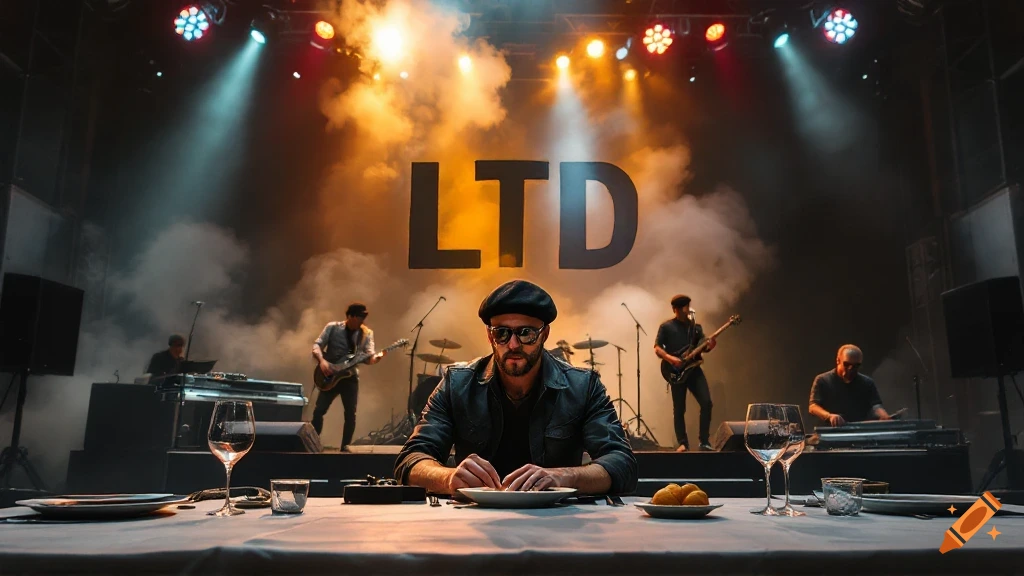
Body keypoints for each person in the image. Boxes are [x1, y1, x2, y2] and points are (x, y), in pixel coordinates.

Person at [395, 280, 637, 495]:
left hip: (556, 518)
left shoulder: (583, 386)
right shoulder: (457, 384)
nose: (513, 344)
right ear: (489, 336)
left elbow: (622, 463)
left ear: (544, 334)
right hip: (475, 517)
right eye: (501, 333)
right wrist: (447, 478)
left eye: (525, 333)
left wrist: (564, 477)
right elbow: (411, 459)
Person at [311, 303, 386, 450]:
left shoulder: (366, 333)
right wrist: (322, 362)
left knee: (351, 414)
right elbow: (317, 345)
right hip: (329, 375)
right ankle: (312, 445)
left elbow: (368, 357)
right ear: (350, 316)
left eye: (363, 317)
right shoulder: (333, 327)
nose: (362, 320)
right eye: (359, 317)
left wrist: (376, 359)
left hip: (349, 377)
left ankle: (344, 449)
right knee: (319, 411)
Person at [654, 295, 716, 452]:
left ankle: (704, 441)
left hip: (694, 369)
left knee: (707, 402)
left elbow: (704, 347)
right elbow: (657, 348)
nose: (687, 310)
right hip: (676, 371)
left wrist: (710, 345)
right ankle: (682, 443)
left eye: (688, 306)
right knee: (679, 408)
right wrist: (671, 359)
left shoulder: (696, 328)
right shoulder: (666, 327)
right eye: (684, 307)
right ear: (675, 309)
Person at [809, 344, 891, 426]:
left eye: (856, 366)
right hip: (829, 430)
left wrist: (884, 415)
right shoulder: (823, 380)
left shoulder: (867, 383)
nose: (850, 369)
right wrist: (829, 416)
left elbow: (875, 405)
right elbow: (813, 406)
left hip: (857, 430)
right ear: (838, 361)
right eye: (846, 364)